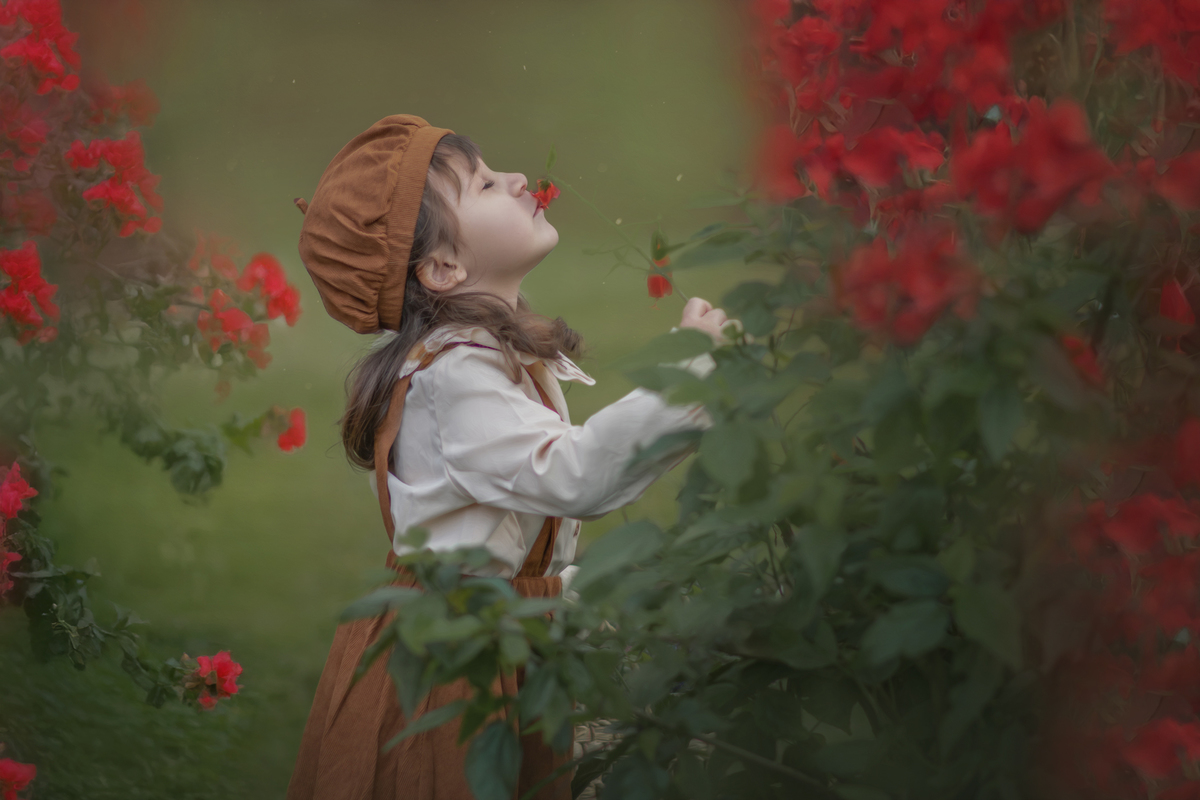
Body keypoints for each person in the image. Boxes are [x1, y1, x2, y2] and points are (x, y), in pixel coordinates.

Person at [285, 114, 734, 800]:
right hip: (458, 664)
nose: (521, 179)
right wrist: (691, 374)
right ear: (443, 268)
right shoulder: (454, 378)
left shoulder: (476, 356)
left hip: (500, 631)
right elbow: (574, 473)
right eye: (487, 185)